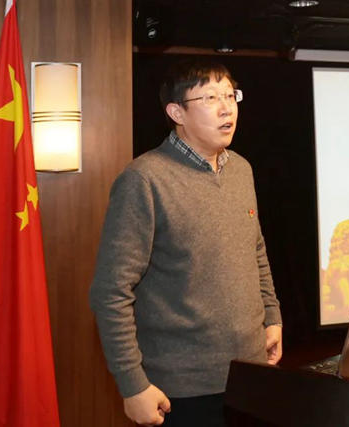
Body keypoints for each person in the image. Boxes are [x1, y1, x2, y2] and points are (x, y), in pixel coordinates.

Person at [90, 58, 282, 427]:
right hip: (182, 390)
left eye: (230, 95)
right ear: (177, 112)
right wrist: (133, 385)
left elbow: (255, 251)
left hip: (252, 373)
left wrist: (272, 317)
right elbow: (110, 292)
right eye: (210, 98)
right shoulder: (144, 180)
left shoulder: (241, 169)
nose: (226, 108)